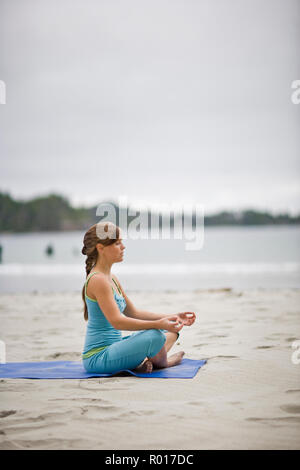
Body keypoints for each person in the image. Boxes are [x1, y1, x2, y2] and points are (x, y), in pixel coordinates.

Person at [81, 222, 196, 374]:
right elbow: (118, 322)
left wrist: (173, 317)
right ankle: (163, 363)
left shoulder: (112, 278)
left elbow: (133, 312)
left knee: (169, 333)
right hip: (98, 357)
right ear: (100, 248)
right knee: (154, 335)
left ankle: (142, 361)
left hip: (116, 348)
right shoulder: (98, 280)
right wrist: (156, 324)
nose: (123, 247)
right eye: (117, 243)